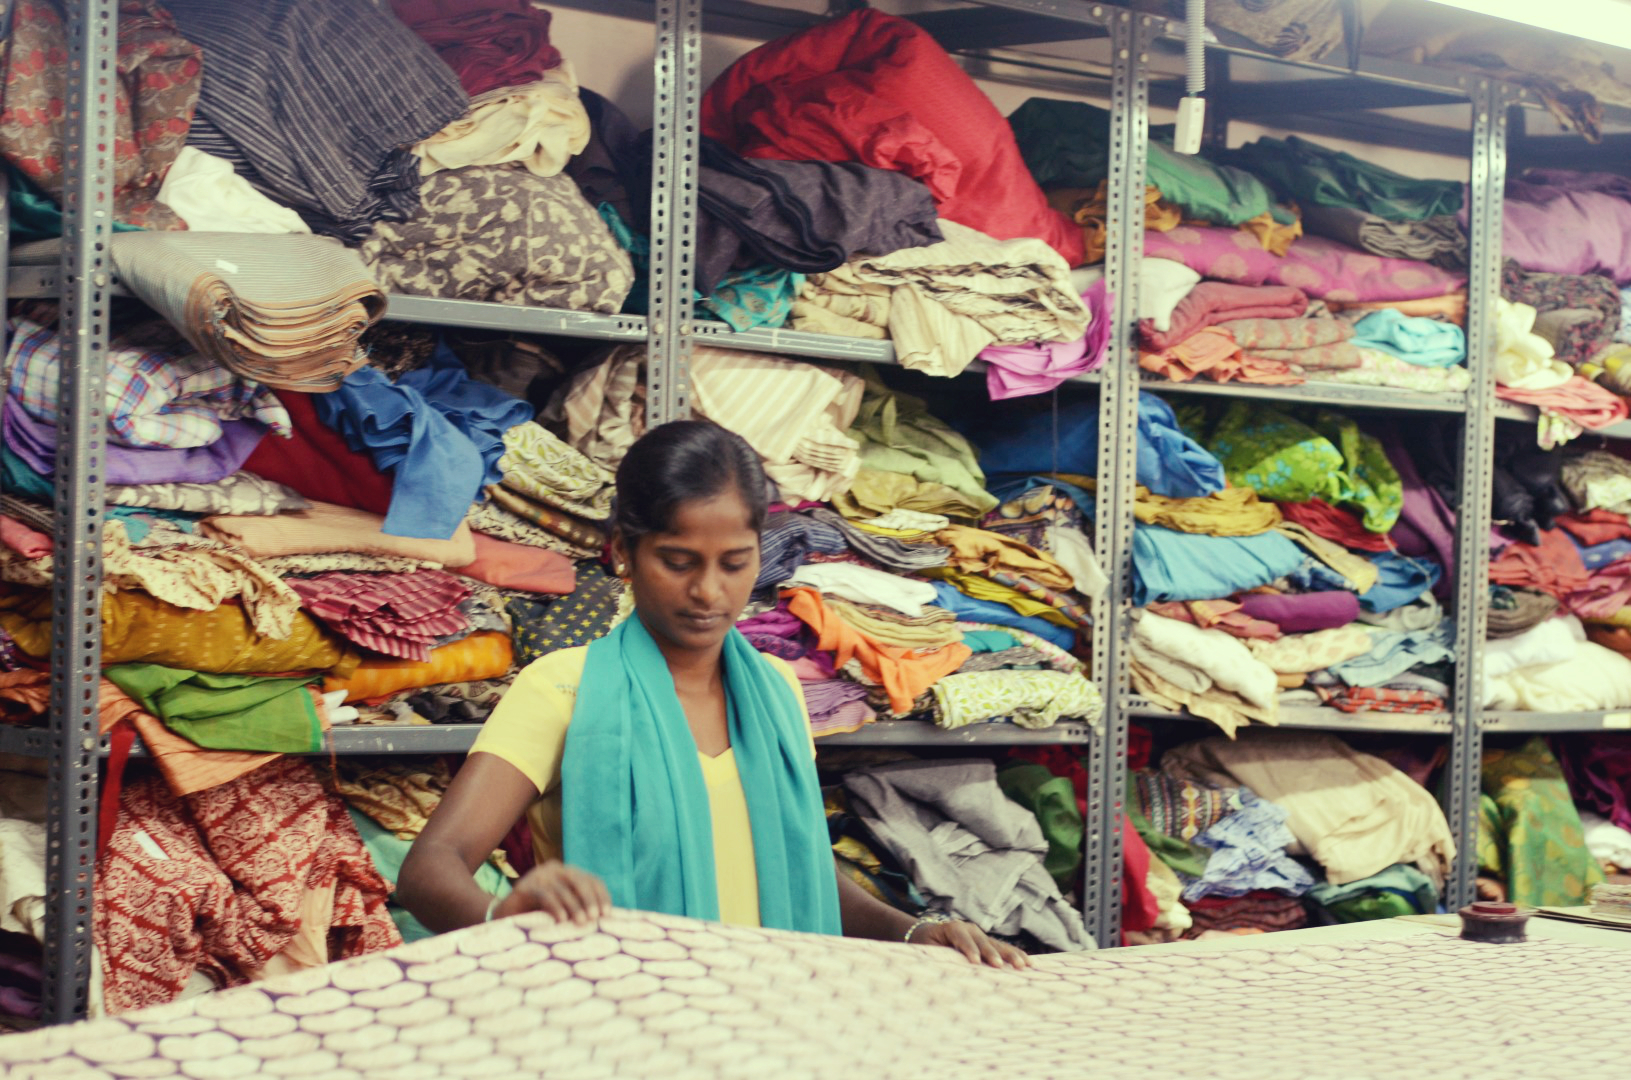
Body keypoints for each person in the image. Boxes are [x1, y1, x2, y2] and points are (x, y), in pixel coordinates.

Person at [398, 419, 1027, 968]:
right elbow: (432, 866)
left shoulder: (776, 692)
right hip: (622, 1026)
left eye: (734, 563)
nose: (708, 591)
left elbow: (793, 864)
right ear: (623, 552)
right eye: (677, 560)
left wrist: (916, 929)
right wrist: (507, 920)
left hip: (771, 1027)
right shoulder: (565, 689)